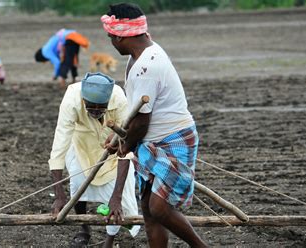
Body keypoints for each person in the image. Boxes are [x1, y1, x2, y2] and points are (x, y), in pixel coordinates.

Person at [101, 3, 208, 248]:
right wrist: (119, 138)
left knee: (159, 209)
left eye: (110, 36)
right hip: (152, 139)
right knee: (149, 212)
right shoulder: (140, 55)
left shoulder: (146, 68)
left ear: (119, 36)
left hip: (174, 138)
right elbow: (135, 113)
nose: (110, 41)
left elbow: (141, 122)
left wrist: (125, 145)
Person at [49, 72, 140, 247]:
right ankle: (84, 228)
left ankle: (109, 240)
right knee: (78, 182)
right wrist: (59, 196)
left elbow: (126, 150)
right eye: (91, 107)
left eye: (101, 108)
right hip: (81, 141)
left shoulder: (119, 99)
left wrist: (116, 197)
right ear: (84, 101)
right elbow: (59, 147)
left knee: (116, 200)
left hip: (111, 144)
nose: (96, 112)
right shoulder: (72, 100)